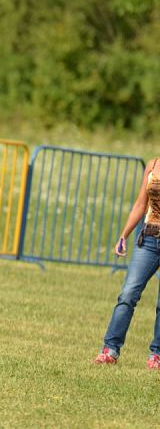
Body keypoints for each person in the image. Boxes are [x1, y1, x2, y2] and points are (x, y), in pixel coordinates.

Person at [93, 158, 160, 369]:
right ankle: (110, 350)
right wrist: (124, 235)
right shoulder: (153, 164)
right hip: (148, 238)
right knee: (128, 294)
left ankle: (156, 355)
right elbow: (141, 203)